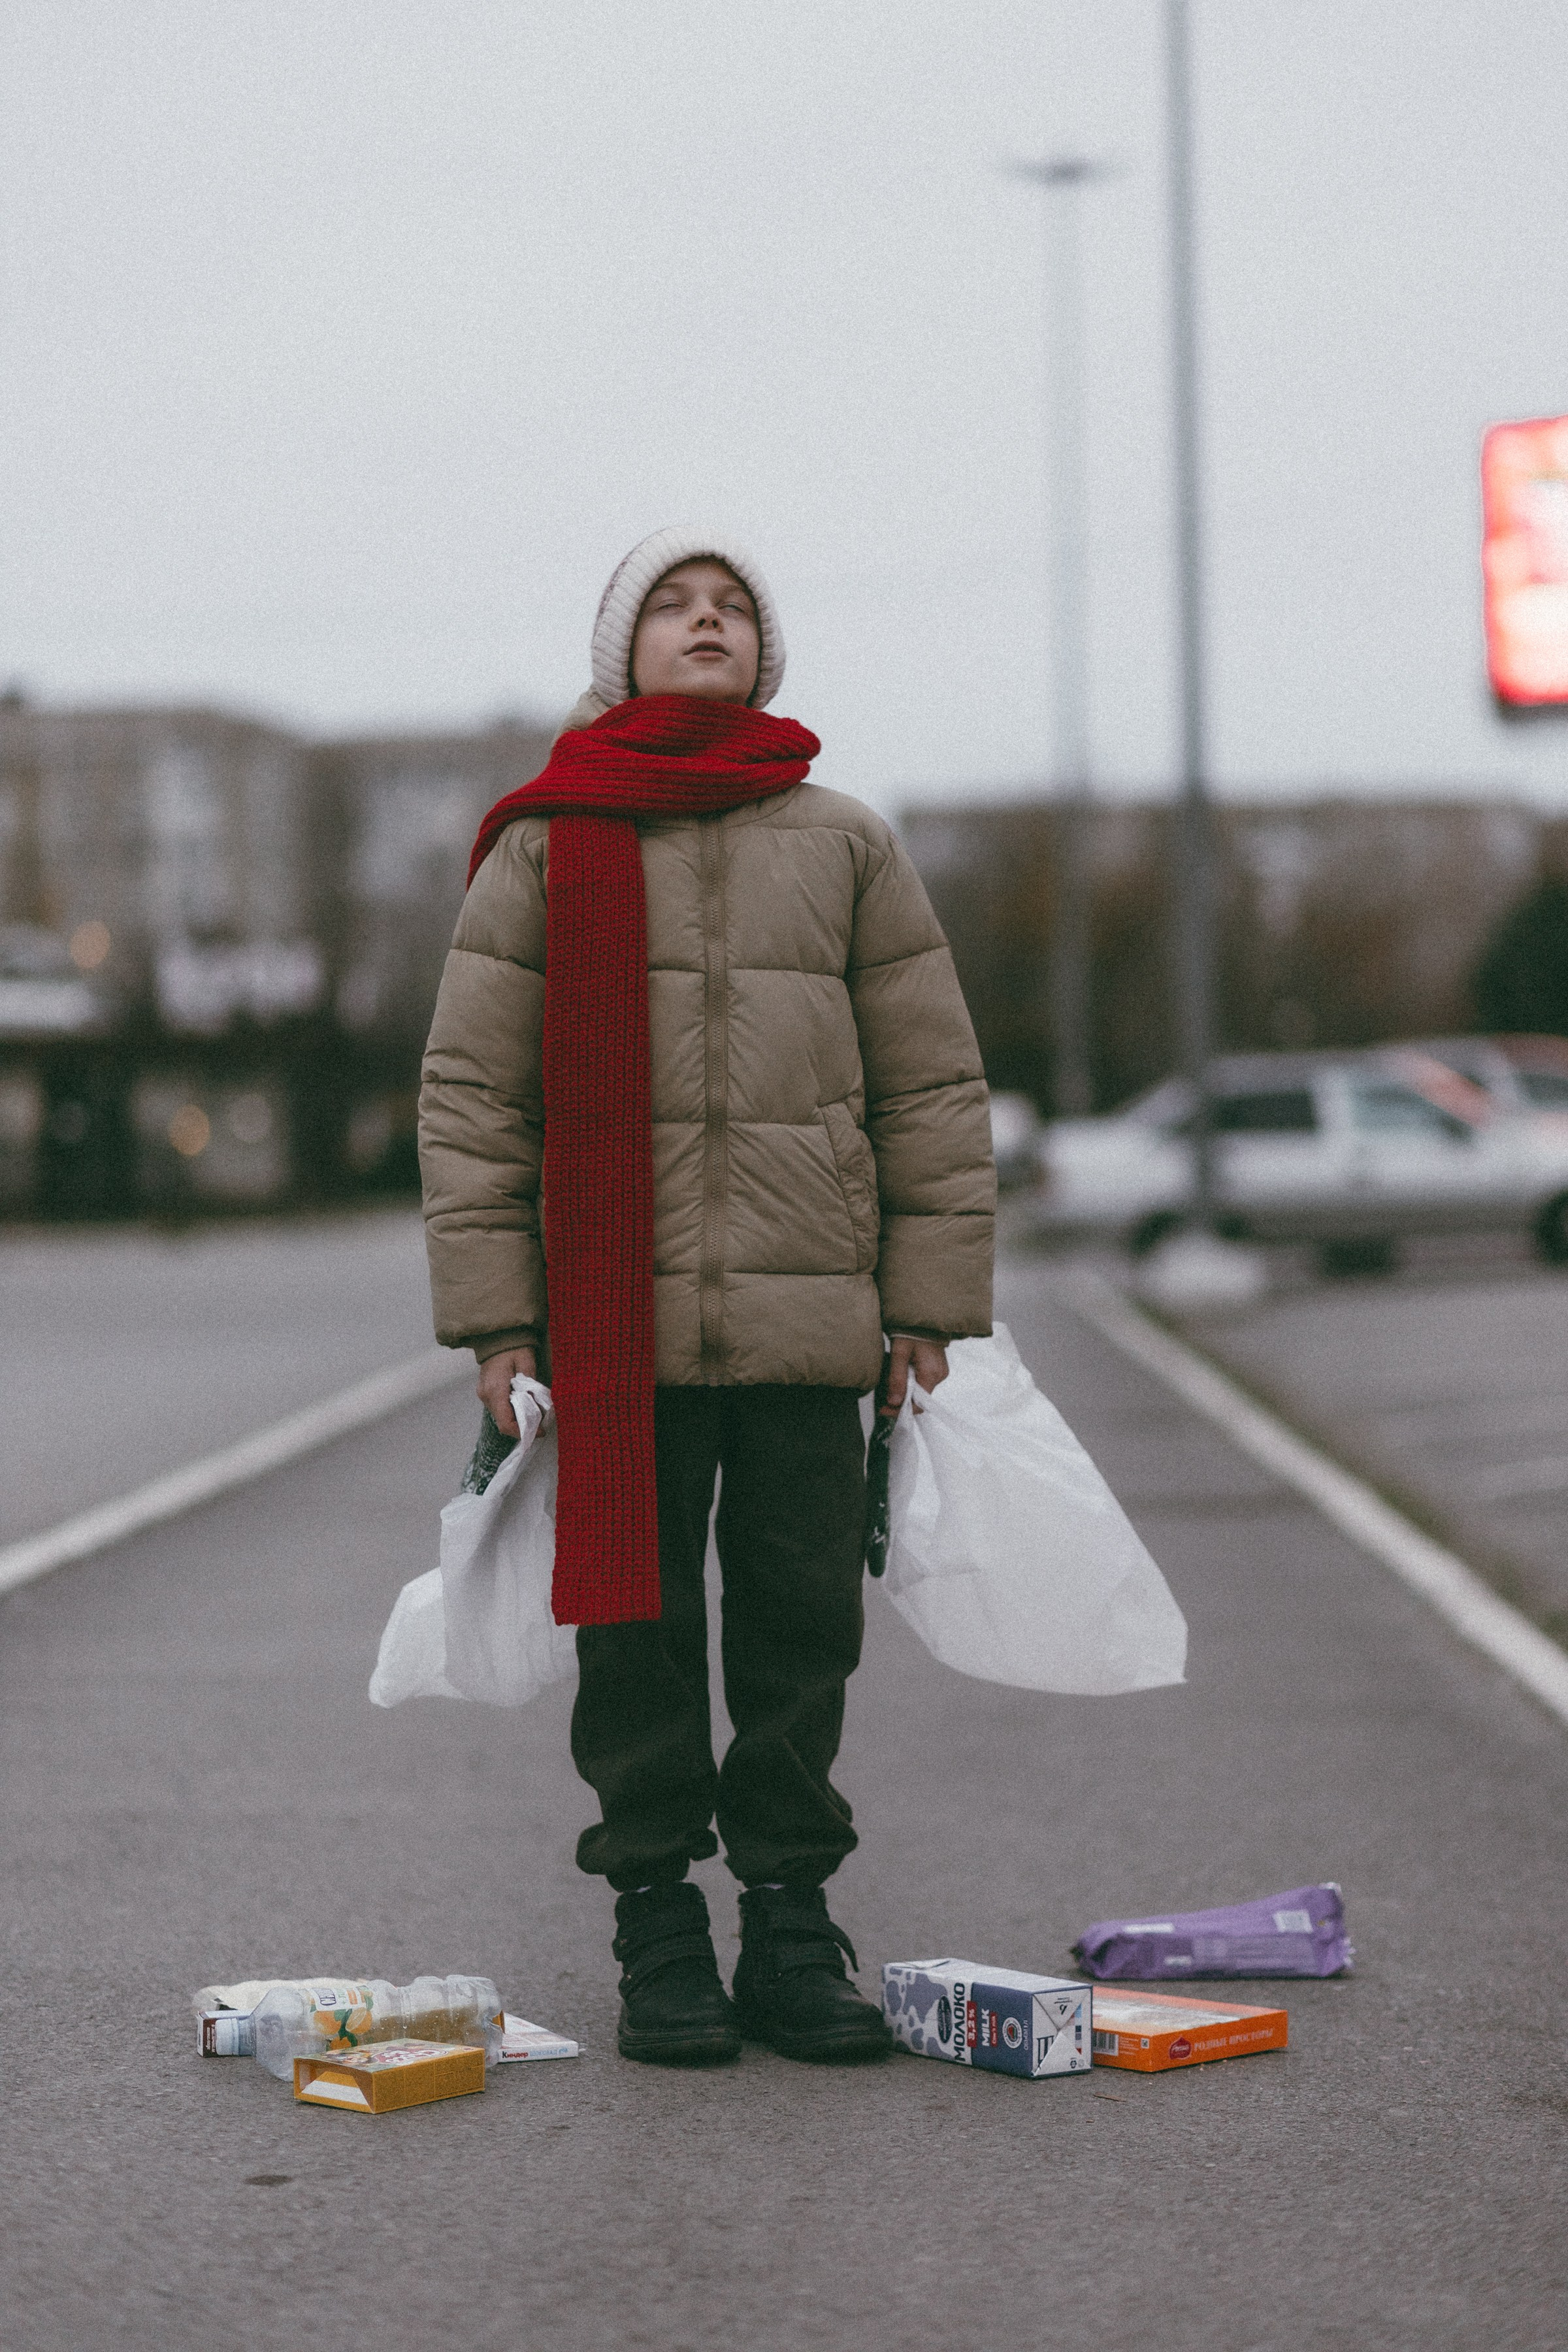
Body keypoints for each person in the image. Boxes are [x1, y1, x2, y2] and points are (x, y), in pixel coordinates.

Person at [419, 526, 995, 2065]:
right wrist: (499, 1321)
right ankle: (660, 1929)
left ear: (767, 653)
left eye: (731, 607)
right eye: (673, 606)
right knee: (642, 1637)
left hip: (814, 1327)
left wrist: (924, 1302)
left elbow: (930, 1085)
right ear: (623, 653)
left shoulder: (847, 840)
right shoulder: (552, 845)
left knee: (806, 1634)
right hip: (620, 1339)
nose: (706, 622)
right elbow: (475, 1094)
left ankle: (794, 1931)